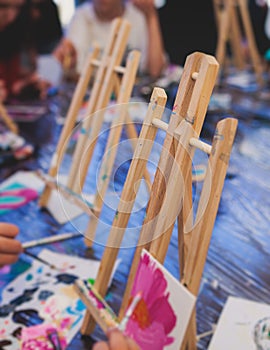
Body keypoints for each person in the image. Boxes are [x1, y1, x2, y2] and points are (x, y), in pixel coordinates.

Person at [53, 0, 167, 79]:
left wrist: (151, 16)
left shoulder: (138, 15)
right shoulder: (80, 17)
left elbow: (155, 71)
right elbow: (74, 73)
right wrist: (69, 64)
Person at [0, 0, 51, 102]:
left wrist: (25, 85)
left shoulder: (10, 35)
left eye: (17, 8)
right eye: (2, 6)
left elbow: (10, 86)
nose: (11, 17)